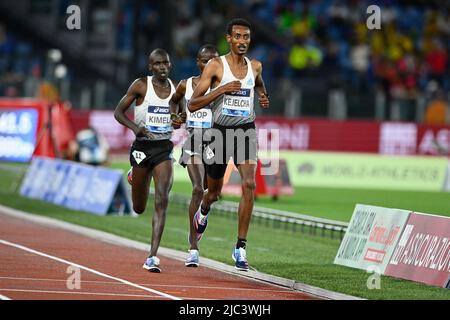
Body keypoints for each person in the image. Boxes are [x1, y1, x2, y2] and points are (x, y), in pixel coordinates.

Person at [189, 18, 270, 271]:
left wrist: (262, 96)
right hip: (219, 133)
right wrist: (221, 90)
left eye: (246, 37)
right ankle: (204, 208)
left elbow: (258, 84)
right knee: (214, 192)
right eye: (238, 36)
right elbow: (193, 103)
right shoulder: (215, 66)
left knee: (249, 183)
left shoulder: (255, 66)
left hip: (245, 130)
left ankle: (240, 247)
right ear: (229, 39)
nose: (242, 41)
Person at [114, 48, 177, 273]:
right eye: (158, 63)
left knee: (162, 198)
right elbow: (118, 112)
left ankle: (152, 256)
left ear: (170, 65)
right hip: (142, 148)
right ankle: (135, 175)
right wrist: (135, 128)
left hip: (163, 148)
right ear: (151, 67)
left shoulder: (176, 90)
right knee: (139, 207)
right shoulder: (141, 85)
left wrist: (179, 120)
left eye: (166, 63)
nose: (162, 67)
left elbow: (180, 115)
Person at [169, 44, 219, 267]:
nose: (209, 64)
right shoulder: (186, 84)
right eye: (205, 60)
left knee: (212, 193)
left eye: (213, 60)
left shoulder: (223, 86)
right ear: (198, 62)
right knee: (198, 188)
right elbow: (174, 101)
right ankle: (193, 247)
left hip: (216, 142)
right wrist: (176, 115)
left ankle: (203, 214)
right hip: (193, 140)